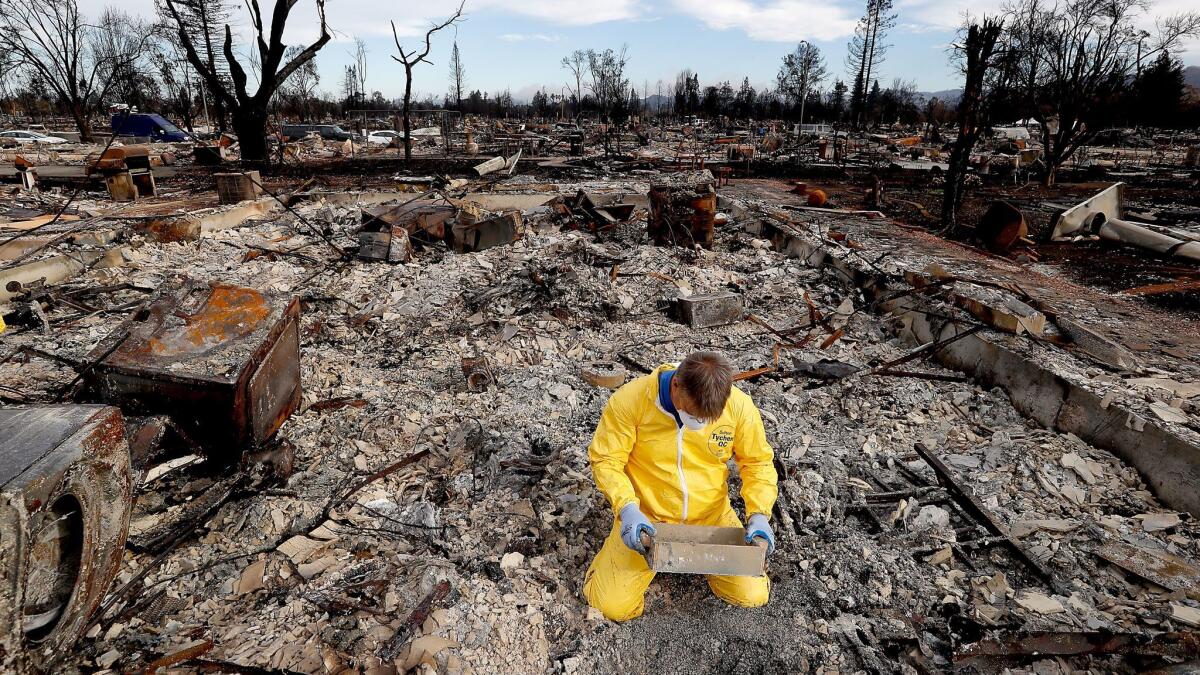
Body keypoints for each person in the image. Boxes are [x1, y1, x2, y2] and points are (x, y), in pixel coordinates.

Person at [583, 351, 778, 621]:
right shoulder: (631, 401)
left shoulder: (739, 406)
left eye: (706, 419)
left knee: (753, 596)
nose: (699, 423)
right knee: (610, 606)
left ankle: (710, 567)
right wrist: (627, 508)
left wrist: (759, 513)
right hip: (650, 519)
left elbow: (757, 463)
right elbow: (606, 460)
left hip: (712, 518)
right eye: (694, 414)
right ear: (676, 384)